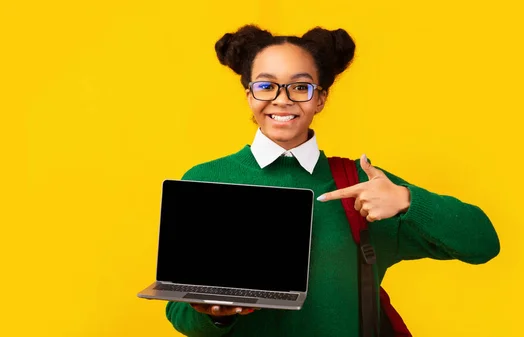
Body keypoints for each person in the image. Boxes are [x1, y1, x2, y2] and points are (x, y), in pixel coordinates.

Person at [164, 24, 500, 337]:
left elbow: (484, 243)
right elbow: (181, 315)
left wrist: (407, 201)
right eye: (266, 86)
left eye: (300, 87)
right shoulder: (206, 180)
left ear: (320, 98)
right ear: (249, 95)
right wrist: (216, 314)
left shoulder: (362, 185)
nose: (282, 99)